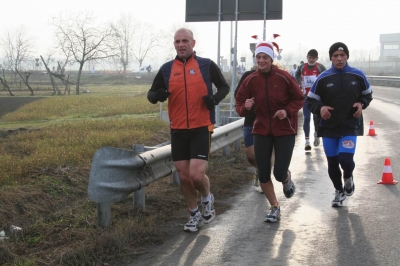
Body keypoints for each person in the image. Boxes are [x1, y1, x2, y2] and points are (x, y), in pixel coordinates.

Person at [147, 28, 230, 232]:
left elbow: (224, 87)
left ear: (193, 43)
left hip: (201, 127)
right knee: (183, 177)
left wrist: (215, 100)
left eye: (185, 41)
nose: (181, 44)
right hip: (178, 130)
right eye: (177, 41)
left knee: (195, 176)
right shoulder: (167, 69)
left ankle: (207, 198)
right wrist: (156, 95)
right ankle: (193, 214)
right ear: (174, 44)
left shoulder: (206, 65)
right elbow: (151, 94)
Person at [235, 41, 304, 223]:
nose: (261, 60)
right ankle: (274, 207)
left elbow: (299, 98)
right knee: (264, 172)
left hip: (284, 130)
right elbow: (239, 104)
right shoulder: (251, 79)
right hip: (262, 130)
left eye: (265, 57)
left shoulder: (283, 77)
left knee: (279, 173)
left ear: (271, 59)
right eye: (258, 57)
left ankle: (287, 178)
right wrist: (246, 107)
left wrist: (287, 111)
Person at [307, 42, 372, 207]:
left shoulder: (357, 75)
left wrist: (361, 104)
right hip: (329, 127)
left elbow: (367, 95)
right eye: (335, 56)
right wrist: (321, 108)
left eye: (342, 55)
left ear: (347, 56)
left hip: (350, 125)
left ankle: (348, 177)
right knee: (332, 162)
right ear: (331, 58)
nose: (339, 58)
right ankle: (338, 191)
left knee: (345, 158)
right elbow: (311, 101)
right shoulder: (323, 78)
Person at [296, 49, 326, 151]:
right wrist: (299, 84)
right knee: (307, 118)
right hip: (306, 97)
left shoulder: (320, 67)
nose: (311, 60)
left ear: (316, 58)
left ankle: (317, 134)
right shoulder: (302, 67)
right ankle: (307, 141)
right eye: (310, 57)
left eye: (313, 58)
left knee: (316, 118)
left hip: (317, 98)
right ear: (307, 57)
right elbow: (296, 75)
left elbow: (326, 77)